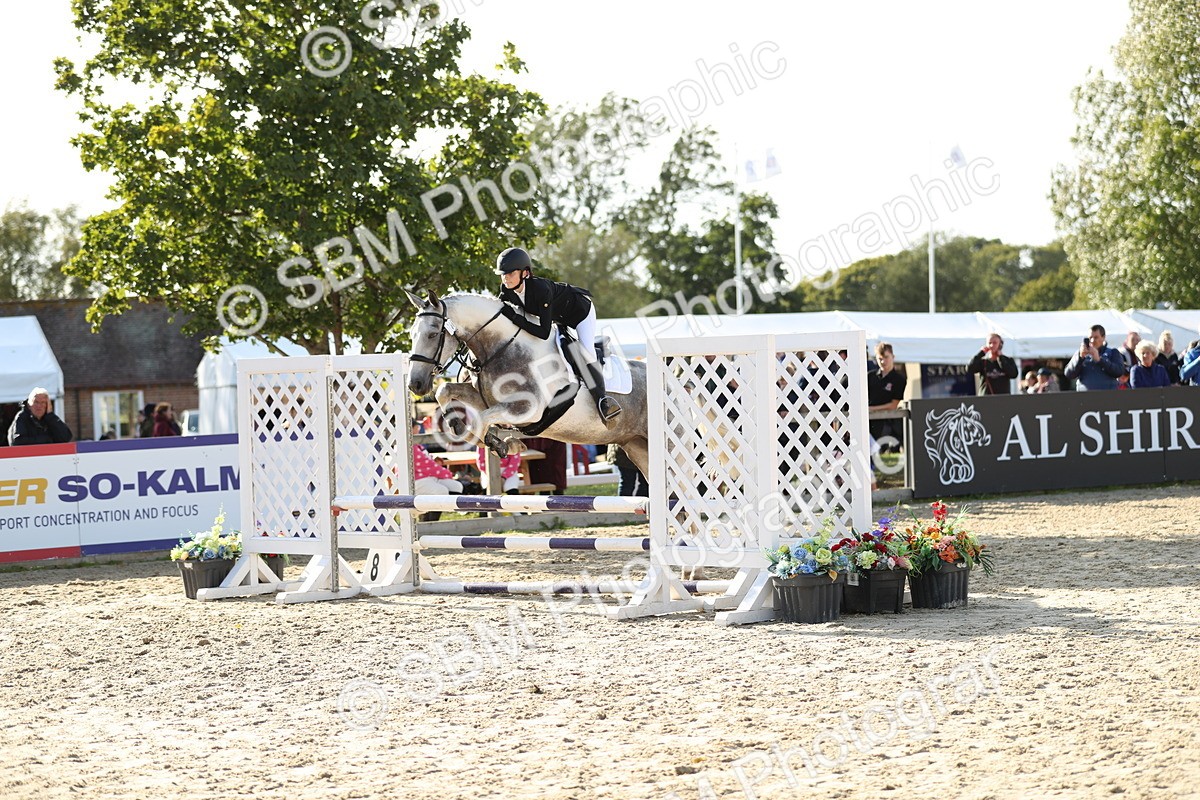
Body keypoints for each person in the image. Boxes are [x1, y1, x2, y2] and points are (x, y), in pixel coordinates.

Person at [495, 246, 621, 427]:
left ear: (525, 273)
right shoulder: (506, 290)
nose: (506, 278)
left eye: (511, 273)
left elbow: (543, 332)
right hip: (559, 318)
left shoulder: (541, 289)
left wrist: (515, 317)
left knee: (586, 352)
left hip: (580, 312)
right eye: (503, 275)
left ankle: (603, 401)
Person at [866, 342, 905, 452]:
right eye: (880, 358)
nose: (883, 361)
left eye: (886, 357)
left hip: (886, 423)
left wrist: (870, 409)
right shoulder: (869, 376)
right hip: (867, 421)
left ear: (893, 357)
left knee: (877, 452)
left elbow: (893, 405)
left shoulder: (899, 379)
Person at [1063, 324, 1125, 391]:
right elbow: (1069, 374)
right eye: (1090, 338)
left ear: (1103, 337)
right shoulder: (1080, 354)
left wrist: (1100, 360)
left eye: (1096, 337)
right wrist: (1080, 358)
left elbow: (1119, 372)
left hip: (1107, 395)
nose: (1092, 340)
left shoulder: (1112, 352)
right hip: (1085, 396)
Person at [7, 388, 72, 446]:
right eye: (36, 402)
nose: (39, 406)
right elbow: (17, 441)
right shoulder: (22, 417)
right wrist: (46, 440)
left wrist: (50, 416)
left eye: (43, 403)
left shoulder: (50, 419)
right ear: (29, 405)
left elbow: (66, 438)